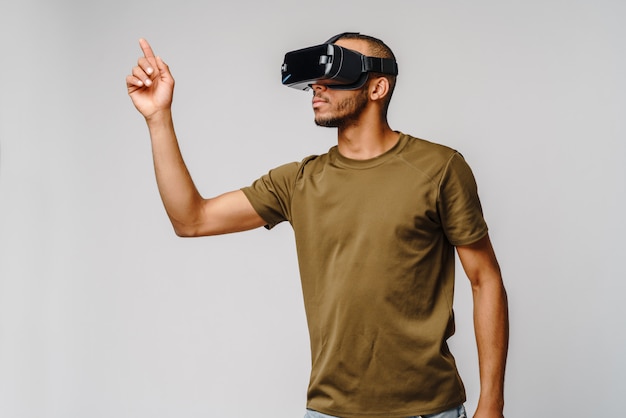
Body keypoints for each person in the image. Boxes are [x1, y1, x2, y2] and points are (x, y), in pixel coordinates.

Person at [126, 33, 508, 418]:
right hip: (330, 410)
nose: (317, 86)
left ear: (378, 87)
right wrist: (159, 118)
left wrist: (491, 402)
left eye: (336, 70)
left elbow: (484, 279)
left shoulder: (440, 168)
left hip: (429, 408)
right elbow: (191, 220)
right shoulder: (299, 181)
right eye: (314, 79)